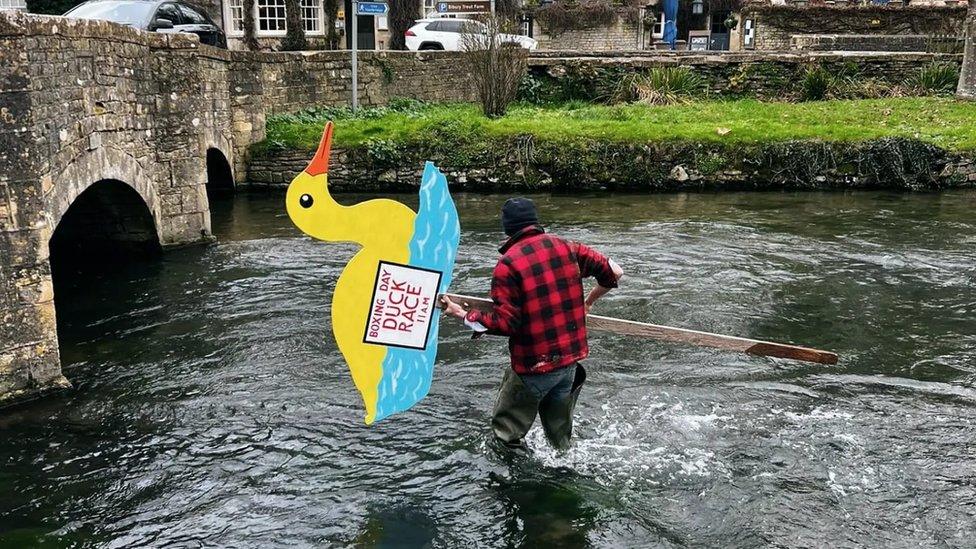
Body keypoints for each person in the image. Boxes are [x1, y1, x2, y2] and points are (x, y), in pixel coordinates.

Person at [441, 197, 623, 451]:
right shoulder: (568, 248)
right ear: (535, 222)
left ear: (507, 228)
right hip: (570, 361)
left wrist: (462, 314)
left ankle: (515, 487)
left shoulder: (508, 265)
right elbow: (614, 273)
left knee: (506, 438)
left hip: (534, 367)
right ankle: (564, 477)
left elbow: (506, 324)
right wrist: (588, 302)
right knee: (560, 443)